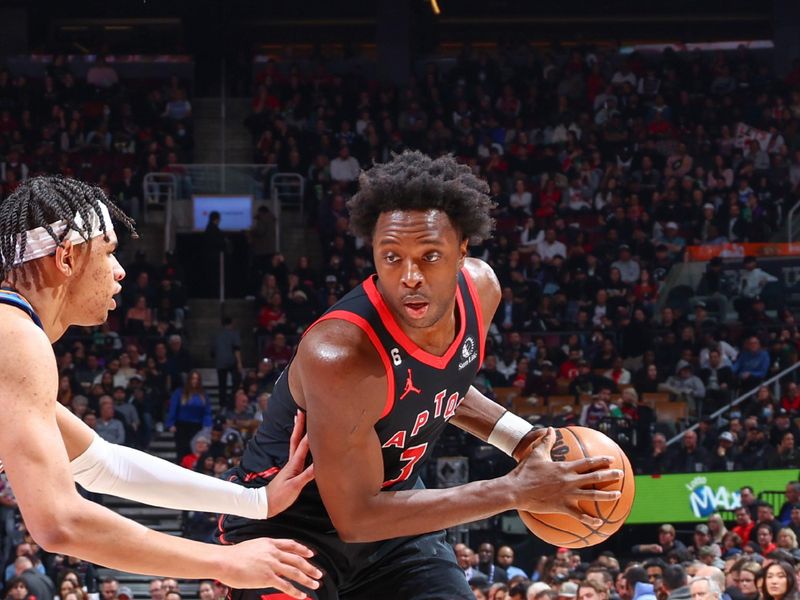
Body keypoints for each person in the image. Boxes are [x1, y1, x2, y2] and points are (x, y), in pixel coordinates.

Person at [216, 151, 622, 599]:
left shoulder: (481, 290)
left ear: (462, 249)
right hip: (291, 529)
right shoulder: (340, 355)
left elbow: (440, 383)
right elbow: (356, 518)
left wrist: (521, 439)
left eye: (430, 256)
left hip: (396, 520)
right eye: (391, 257)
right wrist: (513, 490)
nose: (409, 276)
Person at [0, 176, 321, 597]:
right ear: (66, 259)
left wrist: (255, 501)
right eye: (110, 251)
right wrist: (225, 560)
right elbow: (61, 522)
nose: (120, 271)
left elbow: (104, 465)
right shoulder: (16, 337)